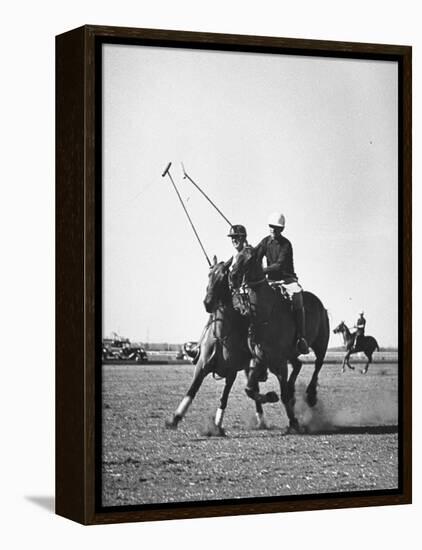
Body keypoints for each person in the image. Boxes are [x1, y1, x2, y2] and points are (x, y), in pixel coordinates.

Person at [255, 212, 309, 355]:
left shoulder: (286, 244)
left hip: (287, 280)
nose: (273, 229)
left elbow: (279, 265)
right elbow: (256, 256)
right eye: (271, 226)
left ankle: (301, 338)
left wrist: (263, 270)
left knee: (297, 297)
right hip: (270, 280)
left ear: (282, 229)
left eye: (276, 227)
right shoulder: (265, 241)